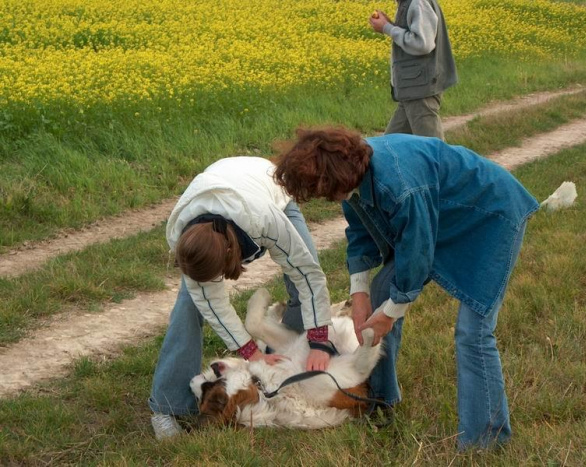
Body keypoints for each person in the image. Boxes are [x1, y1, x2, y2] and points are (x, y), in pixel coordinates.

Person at [273, 126, 539, 449]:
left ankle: (486, 440)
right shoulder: (354, 173)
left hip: (492, 215)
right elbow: (359, 234)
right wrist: (360, 297)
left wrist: (390, 313)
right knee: (381, 294)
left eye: (323, 191)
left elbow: (417, 257)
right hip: (440, 220)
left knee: (474, 331)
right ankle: (381, 400)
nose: (326, 199)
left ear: (335, 175)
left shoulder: (398, 185)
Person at [149, 156, 334, 440]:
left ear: (226, 257)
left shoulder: (264, 218)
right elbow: (212, 303)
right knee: (189, 303)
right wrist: (251, 353)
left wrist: (320, 338)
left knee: (301, 281)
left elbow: (307, 274)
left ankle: (287, 367)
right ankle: (166, 406)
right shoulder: (181, 233)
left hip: (269, 189)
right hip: (221, 184)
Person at [370, 0, 457, 139]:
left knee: (432, 151)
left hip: (420, 91)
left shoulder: (418, 2)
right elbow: (414, 35)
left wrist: (387, 28)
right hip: (412, 90)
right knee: (391, 146)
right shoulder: (408, 3)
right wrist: (390, 25)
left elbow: (422, 43)